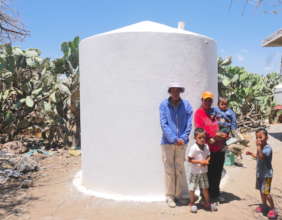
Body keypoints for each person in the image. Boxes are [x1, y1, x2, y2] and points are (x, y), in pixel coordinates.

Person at [159, 82, 193, 208]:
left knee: (179, 168)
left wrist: (183, 137)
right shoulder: (163, 105)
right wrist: (173, 138)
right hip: (167, 143)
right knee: (169, 169)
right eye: (173, 90)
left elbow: (189, 122)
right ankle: (170, 196)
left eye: (178, 90)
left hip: (182, 142)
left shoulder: (186, 105)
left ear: (180, 91)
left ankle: (181, 195)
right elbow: (164, 124)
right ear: (170, 91)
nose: (175, 93)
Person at [194, 91, 228, 203]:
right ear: (202, 100)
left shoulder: (215, 112)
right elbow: (200, 130)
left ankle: (215, 194)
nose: (208, 102)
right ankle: (205, 197)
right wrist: (214, 136)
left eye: (210, 100)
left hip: (219, 147)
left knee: (217, 172)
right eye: (206, 100)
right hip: (207, 149)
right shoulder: (199, 113)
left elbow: (223, 124)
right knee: (206, 173)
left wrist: (222, 135)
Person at [246, 128, 278, 219]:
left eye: (260, 137)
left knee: (266, 193)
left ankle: (273, 209)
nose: (258, 139)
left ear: (267, 138)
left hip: (266, 175)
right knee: (261, 191)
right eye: (257, 137)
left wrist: (259, 147)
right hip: (259, 174)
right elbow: (258, 157)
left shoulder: (268, 148)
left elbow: (262, 157)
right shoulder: (260, 148)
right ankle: (264, 205)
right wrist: (251, 153)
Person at [187, 128, 217, 213]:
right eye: (199, 137)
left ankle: (207, 202)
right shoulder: (194, 148)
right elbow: (189, 159)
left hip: (203, 172)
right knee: (192, 188)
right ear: (195, 138)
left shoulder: (206, 146)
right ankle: (192, 202)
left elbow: (208, 155)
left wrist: (207, 160)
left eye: (203, 137)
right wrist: (200, 161)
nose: (202, 139)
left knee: (205, 188)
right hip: (195, 173)